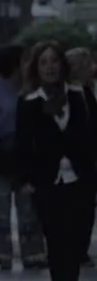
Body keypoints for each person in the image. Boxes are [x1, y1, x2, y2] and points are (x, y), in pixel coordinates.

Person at [16, 41, 97, 281]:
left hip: (80, 179)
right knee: (55, 239)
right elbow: (23, 143)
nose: (50, 67)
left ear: (62, 65)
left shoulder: (80, 96)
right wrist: (25, 179)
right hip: (47, 181)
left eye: (54, 61)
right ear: (36, 68)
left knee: (76, 240)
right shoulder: (29, 102)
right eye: (43, 62)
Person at [0, 43, 46, 271]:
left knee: (28, 206)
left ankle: (33, 252)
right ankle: (2, 252)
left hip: (27, 153)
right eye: (24, 60)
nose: (29, 65)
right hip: (2, 151)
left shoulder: (33, 88)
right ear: (14, 65)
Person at [65, 46, 97, 267]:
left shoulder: (87, 91)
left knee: (85, 207)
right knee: (78, 207)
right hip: (75, 159)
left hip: (88, 159)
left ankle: (79, 249)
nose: (93, 68)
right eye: (88, 64)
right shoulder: (70, 93)